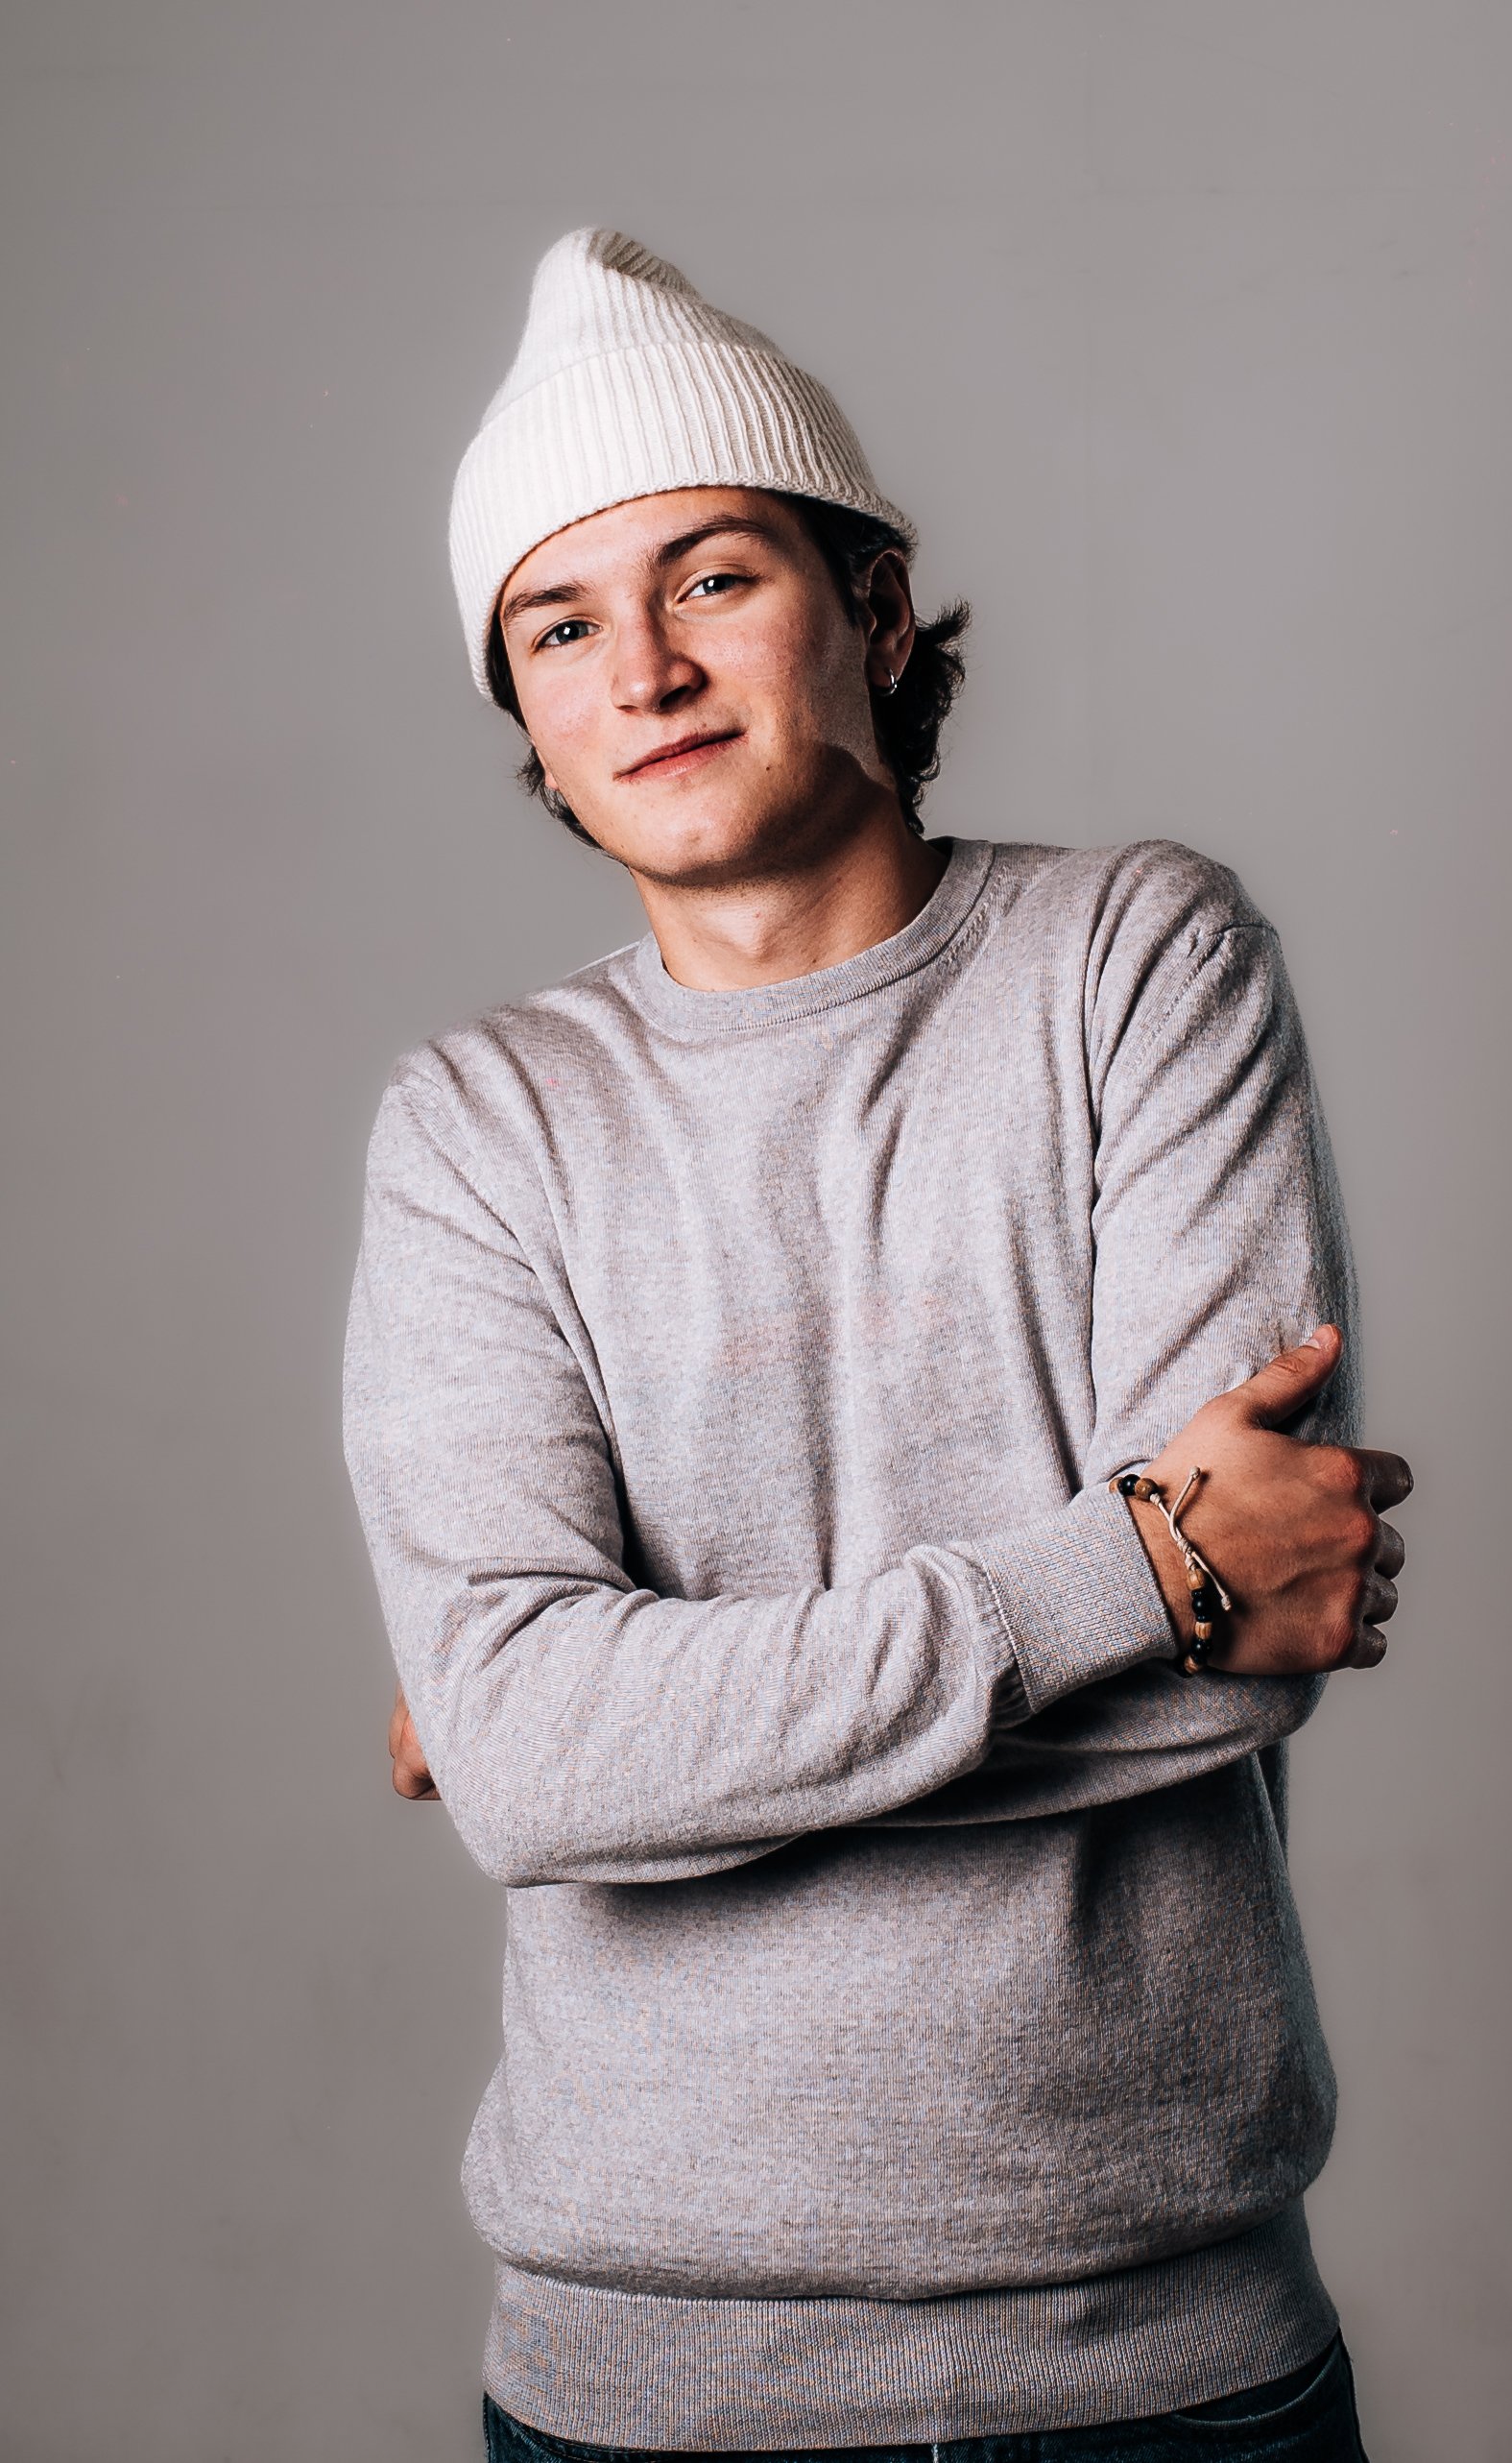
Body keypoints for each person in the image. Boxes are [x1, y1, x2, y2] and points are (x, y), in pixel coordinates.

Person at [344, 229, 1411, 2463]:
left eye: (713, 577)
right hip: (646, 2387)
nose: (644, 666)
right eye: (560, 623)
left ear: (879, 612)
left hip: (1166, 2365)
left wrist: (637, 1739)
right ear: (528, 713)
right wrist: (1139, 1564)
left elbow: (1258, 1638)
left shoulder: (1134, 962)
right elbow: (541, 1757)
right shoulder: (479, 1126)